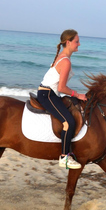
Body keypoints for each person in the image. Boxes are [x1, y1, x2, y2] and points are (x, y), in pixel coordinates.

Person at [37, 29, 88, 169]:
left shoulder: (62, 56)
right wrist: (78, 95)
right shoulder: (65, 61)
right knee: (68, 122)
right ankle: (64, 157)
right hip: (48, 94)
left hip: (49, 93)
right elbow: (61, 87)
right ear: (68, 42)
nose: (79, 44)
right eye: (77, 41)